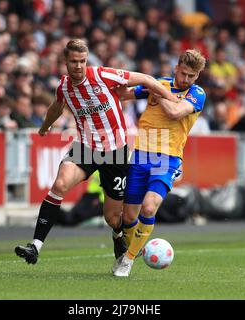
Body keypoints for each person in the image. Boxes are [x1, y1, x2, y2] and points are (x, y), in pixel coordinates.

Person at [14, 38, 178, 265]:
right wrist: (45, 126)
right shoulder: (64, 86)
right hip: (86, 148)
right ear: (65, 61)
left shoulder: (103, 75)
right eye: (74, 61)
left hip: (115, 153)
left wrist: (173, 99)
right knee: (60, 184)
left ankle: (118, 235)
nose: (78, 66)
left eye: (82, 61)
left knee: (112, 217)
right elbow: (57, 106)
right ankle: (35, 246)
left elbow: (148, 80)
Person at [112, 49, 207, 277]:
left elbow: (175, 112)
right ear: (176, 68)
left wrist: (158, 92)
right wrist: (121, 78)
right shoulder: (159, 83)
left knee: (149, 205)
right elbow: (123, 95)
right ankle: (136, 248)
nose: (186, 80)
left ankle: (128, 260)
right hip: (141, 154)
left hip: (168, 157)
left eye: (191, 76)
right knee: (127, 217)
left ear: (197, 77)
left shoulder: (197, 93)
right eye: (183, 73)